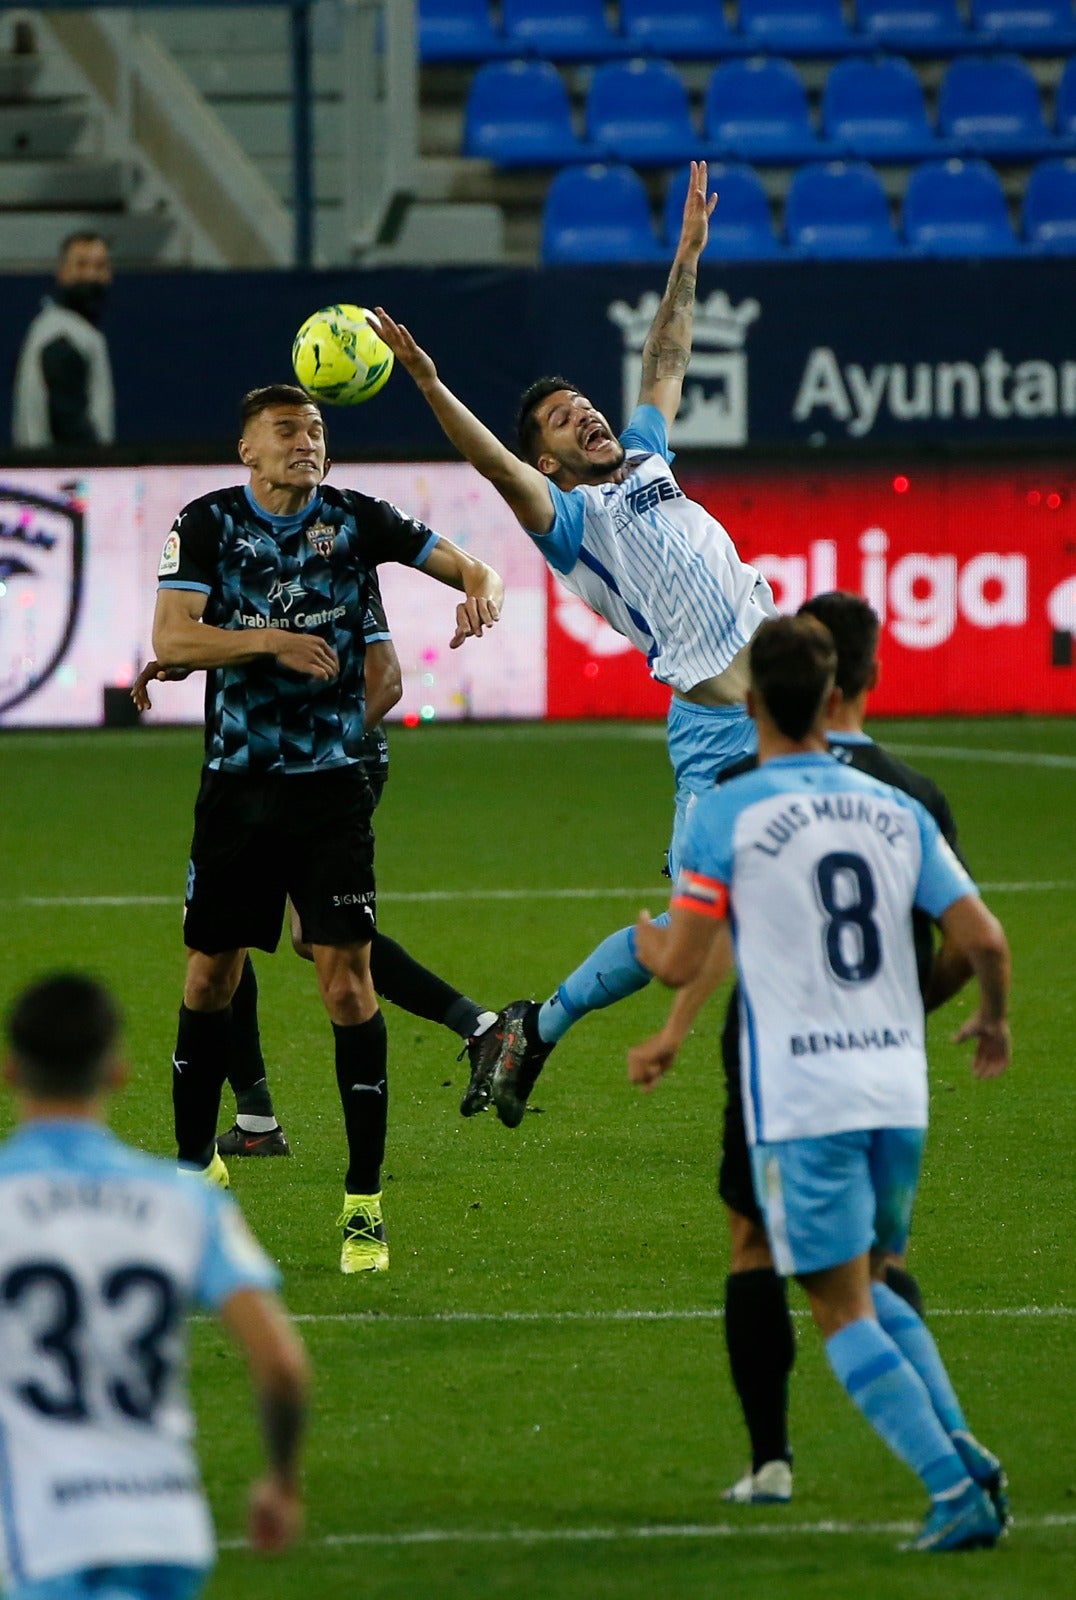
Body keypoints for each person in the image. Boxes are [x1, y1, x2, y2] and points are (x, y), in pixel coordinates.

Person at [374, 160, 777, 1129]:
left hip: (789, 702)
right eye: (562, 420)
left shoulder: (645, 456)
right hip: (716, 734)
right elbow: (492, 461)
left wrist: (683, 256)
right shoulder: (565, 518)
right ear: (547, 458)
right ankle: (536, 1025)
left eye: (580, 405)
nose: (587, 415)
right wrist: (428, 380)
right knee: (685, 939)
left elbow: (664, 357)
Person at [629, 615, 1011, 1553]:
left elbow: (680, 962)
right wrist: (991, 1019)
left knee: (837, 1305)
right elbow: (986, 941)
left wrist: (644, 937)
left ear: (752, 702)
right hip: (899, 1083)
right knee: (876, 1282)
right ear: (836, 697)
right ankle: (963, 1449)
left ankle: (950, 1483)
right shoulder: (897, 806)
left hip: (805, 1095)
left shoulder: (729, 808)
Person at [151, 382, 504, 1273]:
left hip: (329, 790)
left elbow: (468, 563)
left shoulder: (356, 520)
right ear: (247, 449)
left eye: (315, 429)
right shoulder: (206, 523)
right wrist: (267, 641)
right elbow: (174, 635)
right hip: (236, 789)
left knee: (347, 985)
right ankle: (194, 1176)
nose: (305, 442)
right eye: (285, 430)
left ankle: (364, 1207)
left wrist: (480, 589)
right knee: (208, 979)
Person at [133, 582, 498, 1158]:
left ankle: (256, 1119)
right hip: (290, 766)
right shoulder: (267, 557)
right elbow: (261, 649)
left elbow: (386, 679)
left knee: (222, 932)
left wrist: (319, 749)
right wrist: (188, 660)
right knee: (305, 936)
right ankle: (478, 1026)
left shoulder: (341, 555)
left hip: (319, 770)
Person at [0, 972, 310, 1600]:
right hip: (166, 1529)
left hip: (44, 1535)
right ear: (116, 1071)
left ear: (11, 1072)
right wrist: (281, 1480)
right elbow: (281, 1364)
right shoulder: (183, 1201)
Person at [12, 231, 115, 448]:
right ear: (62, 272)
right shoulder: (62, 336)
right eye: (81, 265)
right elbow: (71, 431)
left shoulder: (70, 329)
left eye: (99, 266)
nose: (90, 275)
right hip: (59, 477)